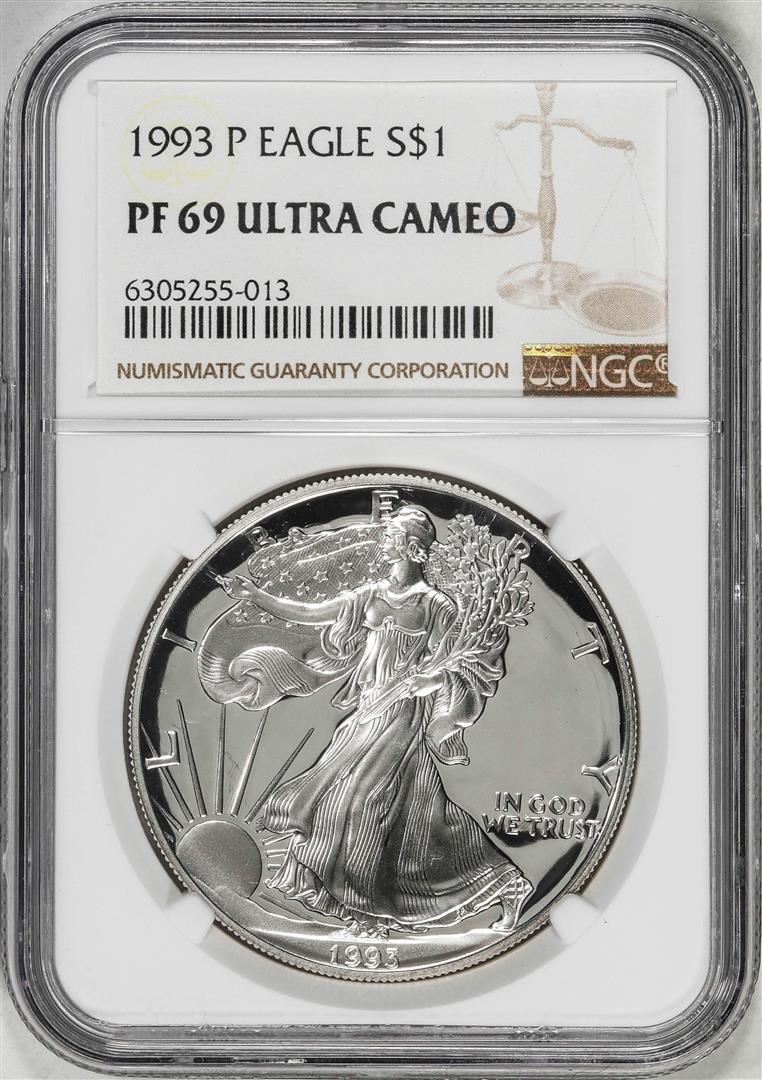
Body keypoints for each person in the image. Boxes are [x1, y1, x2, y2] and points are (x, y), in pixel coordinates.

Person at [221, 506, 533, 936]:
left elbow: (458, 663)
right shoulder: (370, 595)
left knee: (360, 803)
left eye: (391, 536)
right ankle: (499, 886)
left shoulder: (435, 605)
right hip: (368, 708)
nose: (383, 542)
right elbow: (312, 613)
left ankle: (368, 913)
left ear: (411, 547)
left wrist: (429, 680)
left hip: (403, 712)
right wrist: (256, 596)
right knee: (410, 814)